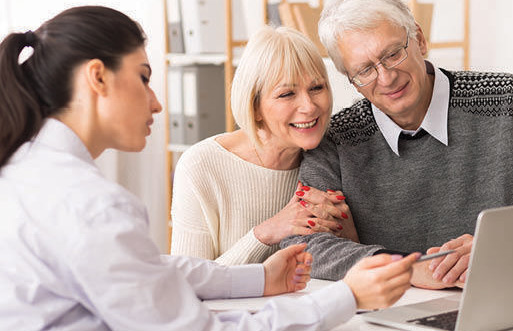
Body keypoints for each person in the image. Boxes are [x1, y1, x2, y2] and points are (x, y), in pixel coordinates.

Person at [0, 6, 421, 330]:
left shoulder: (30, 169)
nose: (156, 102)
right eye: (144, 77)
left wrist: (258, 279)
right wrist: (347, 296)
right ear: (98, 77)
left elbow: (155, 268)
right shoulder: (90, 204)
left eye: (317, 87)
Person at [281, 0, 513, 289]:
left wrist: (499, 248)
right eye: (364, 70)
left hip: (510, 293)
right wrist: (406, 268)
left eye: (393, 54)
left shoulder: (510, 101)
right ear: (350, 80)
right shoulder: (336, 140)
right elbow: (304, 245)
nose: (386, 77)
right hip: (398, 313)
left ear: (419, 38)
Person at [171, 25, 358, 265]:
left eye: (316, 88)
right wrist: (265, 234)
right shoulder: (201, 165)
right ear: (255, 106)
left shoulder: (334, 156)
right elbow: (187, 283)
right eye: (286, 94)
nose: (309, 106)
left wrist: (348, 233)